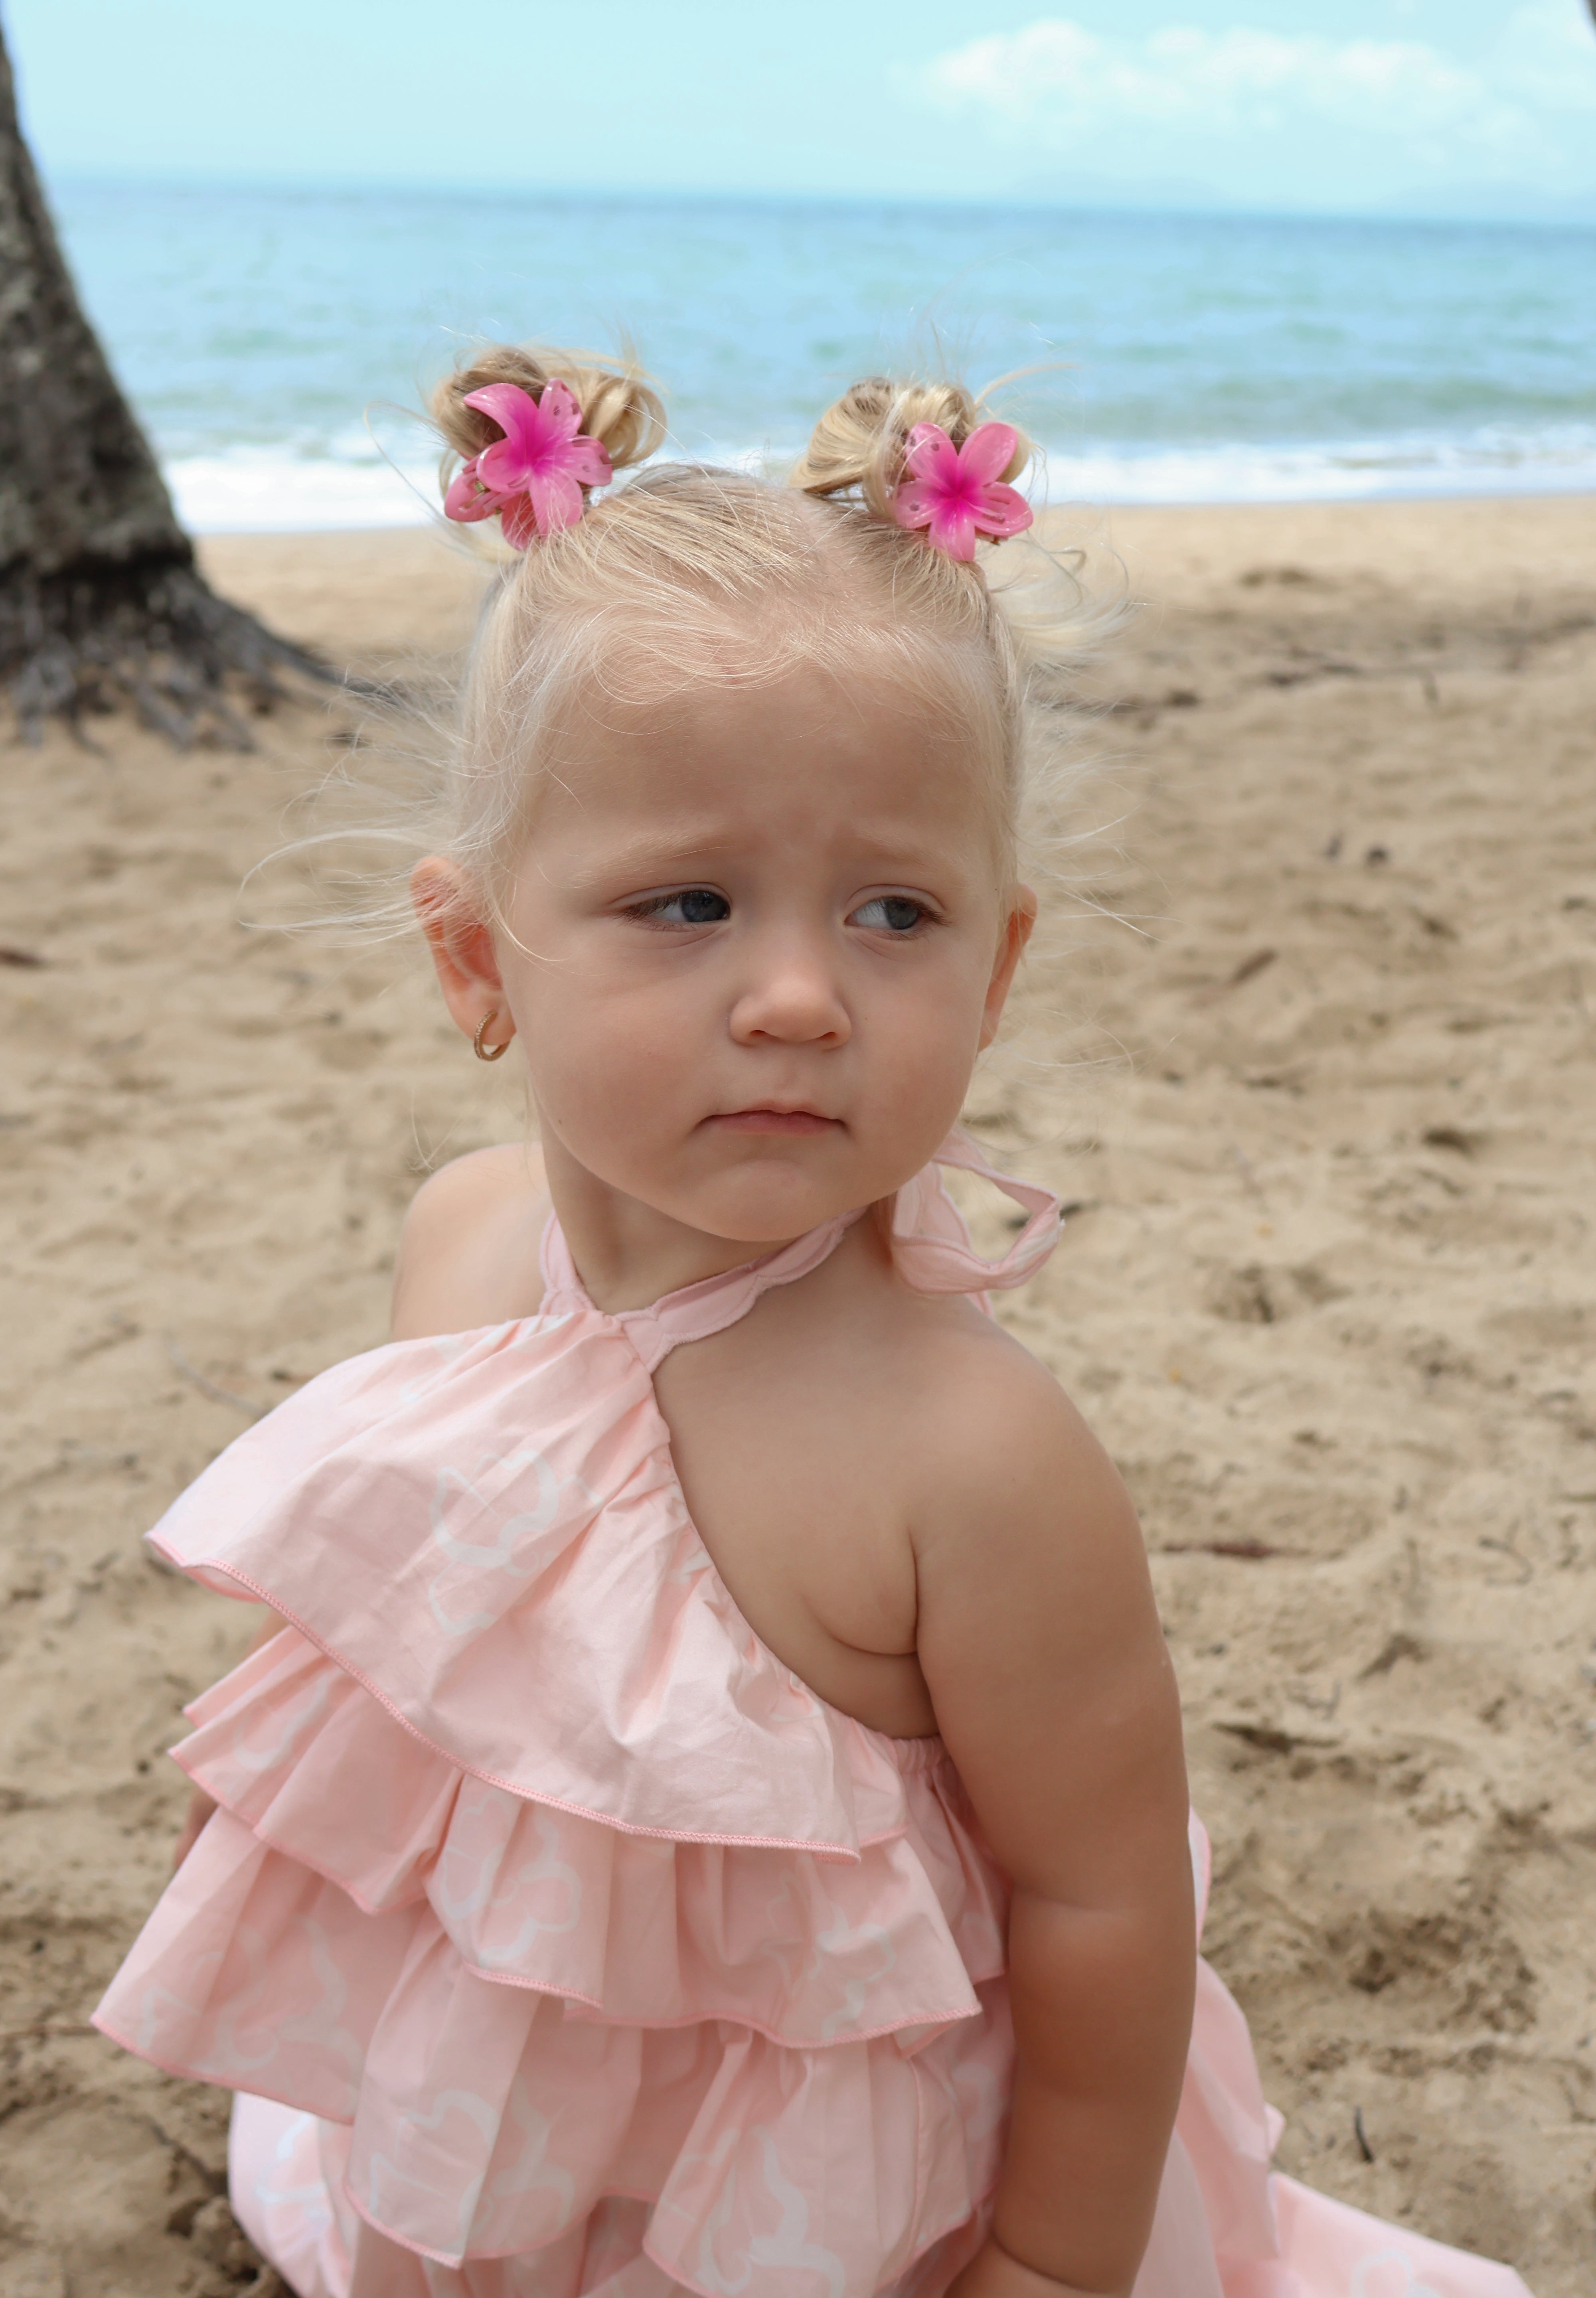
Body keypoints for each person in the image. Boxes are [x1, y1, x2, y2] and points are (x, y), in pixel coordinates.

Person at [94, 346, 1534, 2298]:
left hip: (837, 2181)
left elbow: (1101, 1910)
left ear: (995, 967)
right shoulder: (465, 1242)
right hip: (542, 2075)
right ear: (477, 956)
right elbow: (452, 1705)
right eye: (688, 905)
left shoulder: (966, 1457)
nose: (796, 997)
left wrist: (1048, 2268)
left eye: (893, 915)